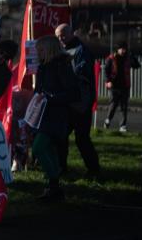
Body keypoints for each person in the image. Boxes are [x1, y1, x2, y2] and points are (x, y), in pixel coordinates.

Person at [32, 35, 82, 201]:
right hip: (43, 115)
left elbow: (74, 94)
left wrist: (51, 98)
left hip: (56, 116)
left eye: (40, 49)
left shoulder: (62, 66)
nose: (37, 52)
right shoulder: (43, 67)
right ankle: (54, 187)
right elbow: (39, 91)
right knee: (48, 150)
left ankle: (54, 185)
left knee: (39, 148)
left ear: (49, 49)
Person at [55, 23, 100, 177]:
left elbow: (79, 73)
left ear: (71, 33)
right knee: (60, 136)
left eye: (63, 35)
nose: (61, 38)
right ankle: (61, 168)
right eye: (58, 36)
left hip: (81, 103)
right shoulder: (61, 50)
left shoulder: (82, 51)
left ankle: (94, 169)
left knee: (82, 139)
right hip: (66, 102)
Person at [104, 41, 140, 133]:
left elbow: (137, 66)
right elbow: (106, 70)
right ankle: (108, 120)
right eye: (122, 49)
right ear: (118, 49)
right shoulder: (111, 58)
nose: (124, 51)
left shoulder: (128, 58)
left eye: (125, 49)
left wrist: (133, 57)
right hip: (114, 86)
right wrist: (108, 81)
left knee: (124, 107)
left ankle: (122, 126)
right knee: (113, 105)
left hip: (125, 86)